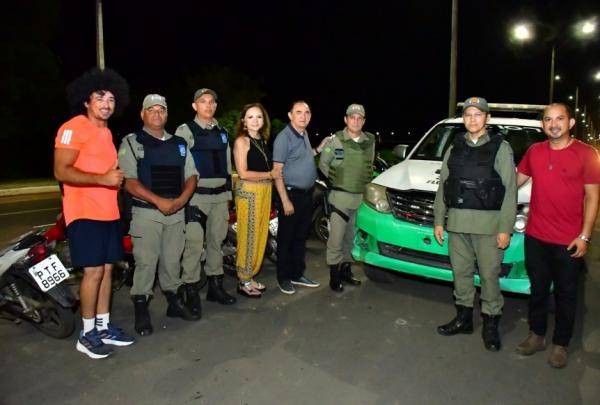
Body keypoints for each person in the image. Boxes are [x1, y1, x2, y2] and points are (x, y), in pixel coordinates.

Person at [54, 68, 135, 359]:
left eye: (112, 98)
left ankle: (103, 327)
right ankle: (86, 334)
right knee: (93, 271)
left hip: (108, 212)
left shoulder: (106, 132)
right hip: (84, 212)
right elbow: (61, 170)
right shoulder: (73, 127)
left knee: (107, 270)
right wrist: (103, 179)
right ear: (86, 101)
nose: (107, 103)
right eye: (100, 97)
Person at [515, 102, 600, 368]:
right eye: (548, 119)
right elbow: (513, 181)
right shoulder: (535, 151)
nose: (554, 124)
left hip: (568, 241)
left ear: (570, 123)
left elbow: (593, 197)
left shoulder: (586, 154)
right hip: (536, 237)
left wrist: (585, 237)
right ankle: (537, 335)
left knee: (566, 294)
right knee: (538, 290)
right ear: (543, 125)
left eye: (559, 119)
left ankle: (560, 343)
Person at [433, 97, 517, 351]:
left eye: (478, 114)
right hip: (457, 225)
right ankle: (464, 318)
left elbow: (510, 191)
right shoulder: (453, 148)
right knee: (461, 274)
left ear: (487, 118)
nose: (472, 119)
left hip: (489, 227)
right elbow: (443, 187)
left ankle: (491, 324)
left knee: (489, 276)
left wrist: (505, 228)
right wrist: (439, 220)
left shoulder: (501, 148)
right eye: (468, 115)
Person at [118, 94, 199, 335]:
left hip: (176, 212)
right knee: (146, 262)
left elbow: (191, 176)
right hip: (146, 213)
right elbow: (129, 181)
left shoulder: (180, 144)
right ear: (142, 114)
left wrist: (182, 200)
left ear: (167, 114)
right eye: (151, 110)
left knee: (172, 260)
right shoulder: (131, 142)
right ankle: (141, 306)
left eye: (161, 110)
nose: (157, 114)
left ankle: (173, 301)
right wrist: (159, 201)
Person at [175, 88, 237, 307]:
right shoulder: (186, 131)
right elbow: (178, 166)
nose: (208, 105)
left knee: (216, 243)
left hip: (220, 198)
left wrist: (229, 195)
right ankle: (190, 289)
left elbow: (227, 166)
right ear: (195, 106)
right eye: (203, 101)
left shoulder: (221, 132)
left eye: (212, 101)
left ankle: (215, 287)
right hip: (196, 198)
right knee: (193, 245)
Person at [272, 100, 329, 294]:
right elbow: (277, 172)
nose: (303, 116)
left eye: (306, 112)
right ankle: (284, 278)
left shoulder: (303, 134)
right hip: (290, 195)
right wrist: (285, 200)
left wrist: (318, 149)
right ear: (290, 115)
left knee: (299, 238)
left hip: (306, 195)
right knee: (286, 239)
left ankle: (297, 274)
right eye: (298, 112)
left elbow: (303, 157)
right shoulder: (284, 138)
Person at [319, 104, 374, 291]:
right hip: (340, 199)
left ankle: (346, 270)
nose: (356, 121)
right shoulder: (336, 140)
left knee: (351, 238)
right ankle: (334, 277)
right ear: (346, 119)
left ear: (364, 121)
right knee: (336, 239)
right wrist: (335, 181)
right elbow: (323, 165)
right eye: (352, 117)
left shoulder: (370, 142)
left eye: (359, 118)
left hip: (360, 199)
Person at [232, 103, 280, 298]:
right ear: (243, 121)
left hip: (264, 190)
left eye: (259, 117)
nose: (255, 120)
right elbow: (243, 173)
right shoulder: (242, 141)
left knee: (261, 235)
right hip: (249, 193)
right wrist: (270, 174)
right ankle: (243, 279)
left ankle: (250, 276)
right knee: (249, 236)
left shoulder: (261, 139)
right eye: (250, 117)